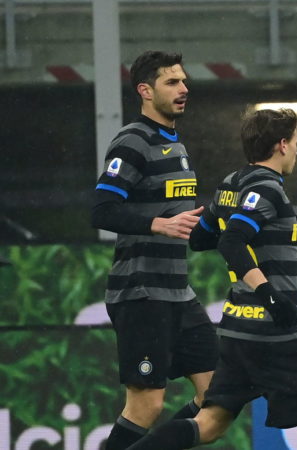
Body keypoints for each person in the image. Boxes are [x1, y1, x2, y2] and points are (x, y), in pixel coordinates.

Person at [127, 108, 297, 450]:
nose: (296, 149)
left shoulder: (231, 183)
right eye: (296, 141)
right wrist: (270, 294)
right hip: (276, 333)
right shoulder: (267, 187)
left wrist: (275, 228)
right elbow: (232, 241)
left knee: (209, 425)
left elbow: (202, 238)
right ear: (282, 145)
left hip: (236, 331)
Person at [91, 51, 218, 450]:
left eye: (184, 80)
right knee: (146, 405)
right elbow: (102, 209)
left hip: (178, 293)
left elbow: (180, 218)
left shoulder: (174, 144)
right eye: (172, 82)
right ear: (145, 91)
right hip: (142, 292)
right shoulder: (134, 140)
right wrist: (157, 224)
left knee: (217, 395)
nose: (184, 89)